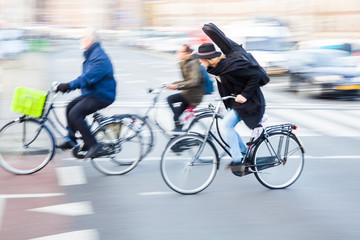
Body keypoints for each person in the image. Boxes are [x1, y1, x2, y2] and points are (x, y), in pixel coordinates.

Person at [196, 43, 266, 167]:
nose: (199, 61)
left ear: (209, 58)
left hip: (251, 102)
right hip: (237, 102)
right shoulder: (217, 68)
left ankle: (237, 160)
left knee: (227, 125)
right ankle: (245, 153)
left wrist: (244, 95)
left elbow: (256, 75)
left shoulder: (231, 65)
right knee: (228, 125)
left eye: (201, 59)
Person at [56, 27, 117, 159]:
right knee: (69, 106)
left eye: (82, 37)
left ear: (90, 40)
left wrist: (67, 86)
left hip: (102, 95)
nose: (80, 40)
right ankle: (70, 140)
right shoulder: (92, 53)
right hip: (93, 92)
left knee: (75, 113)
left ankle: (93, 145)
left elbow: (87, 78)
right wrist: (67, 86)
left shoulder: (98, 57)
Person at [166, 44, 204, 132]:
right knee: (177, 116)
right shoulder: (187, 62)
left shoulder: (192, 63)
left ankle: (179, 127)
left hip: (193, 95)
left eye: (180, 52)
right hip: (189, 93)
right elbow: (187, 80)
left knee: (170, 100)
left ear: (187, 53)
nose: (178, 54)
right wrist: (172, 84)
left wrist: (177, 86)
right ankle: (179, 131)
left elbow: (194, 81)